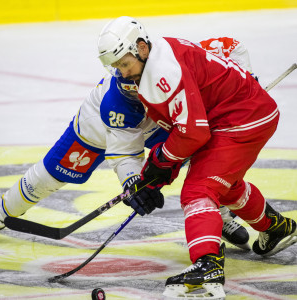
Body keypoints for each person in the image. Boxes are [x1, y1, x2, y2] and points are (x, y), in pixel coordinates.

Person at [97, 16, 297, 299]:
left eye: (124, 64)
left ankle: (208, 265)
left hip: (241, 119)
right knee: (223, 184)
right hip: (230, 118)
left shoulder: (162, 75)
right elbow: (185, 128)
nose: (123, 73)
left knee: (198, 190)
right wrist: (156, 171)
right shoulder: (155, 61)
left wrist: (161, 162)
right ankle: (276, 228)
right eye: (117, 67)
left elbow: (191, 134)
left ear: (141, 47)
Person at [0, 37, 251, 250]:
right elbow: (124, 153)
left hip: (159, 122)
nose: (130, 77)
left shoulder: (173, 57)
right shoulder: (116, 100)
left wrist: (246, 84)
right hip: (99, 127)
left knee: (208, 152)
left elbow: (231, 47)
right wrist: (135, 184)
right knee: (48, 177)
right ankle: (0, 212)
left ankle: (218, 214)